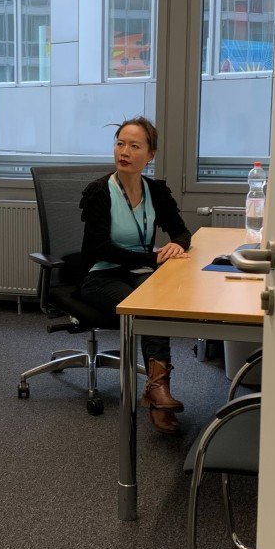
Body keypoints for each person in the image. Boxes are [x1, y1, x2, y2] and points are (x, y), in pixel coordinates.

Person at [79, 117, 192, 435]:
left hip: (141, 271)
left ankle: (157, 392)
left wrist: (175, 245)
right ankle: (157, 395)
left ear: (150, 155)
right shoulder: (100, 192)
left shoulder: (155, 191)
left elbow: (182, 231)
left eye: (134, 146)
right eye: (120, 143)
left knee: (155, 301)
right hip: (102, 275)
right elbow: (101, 249)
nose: (124, 151)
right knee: (145, 303)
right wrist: (153, 257)